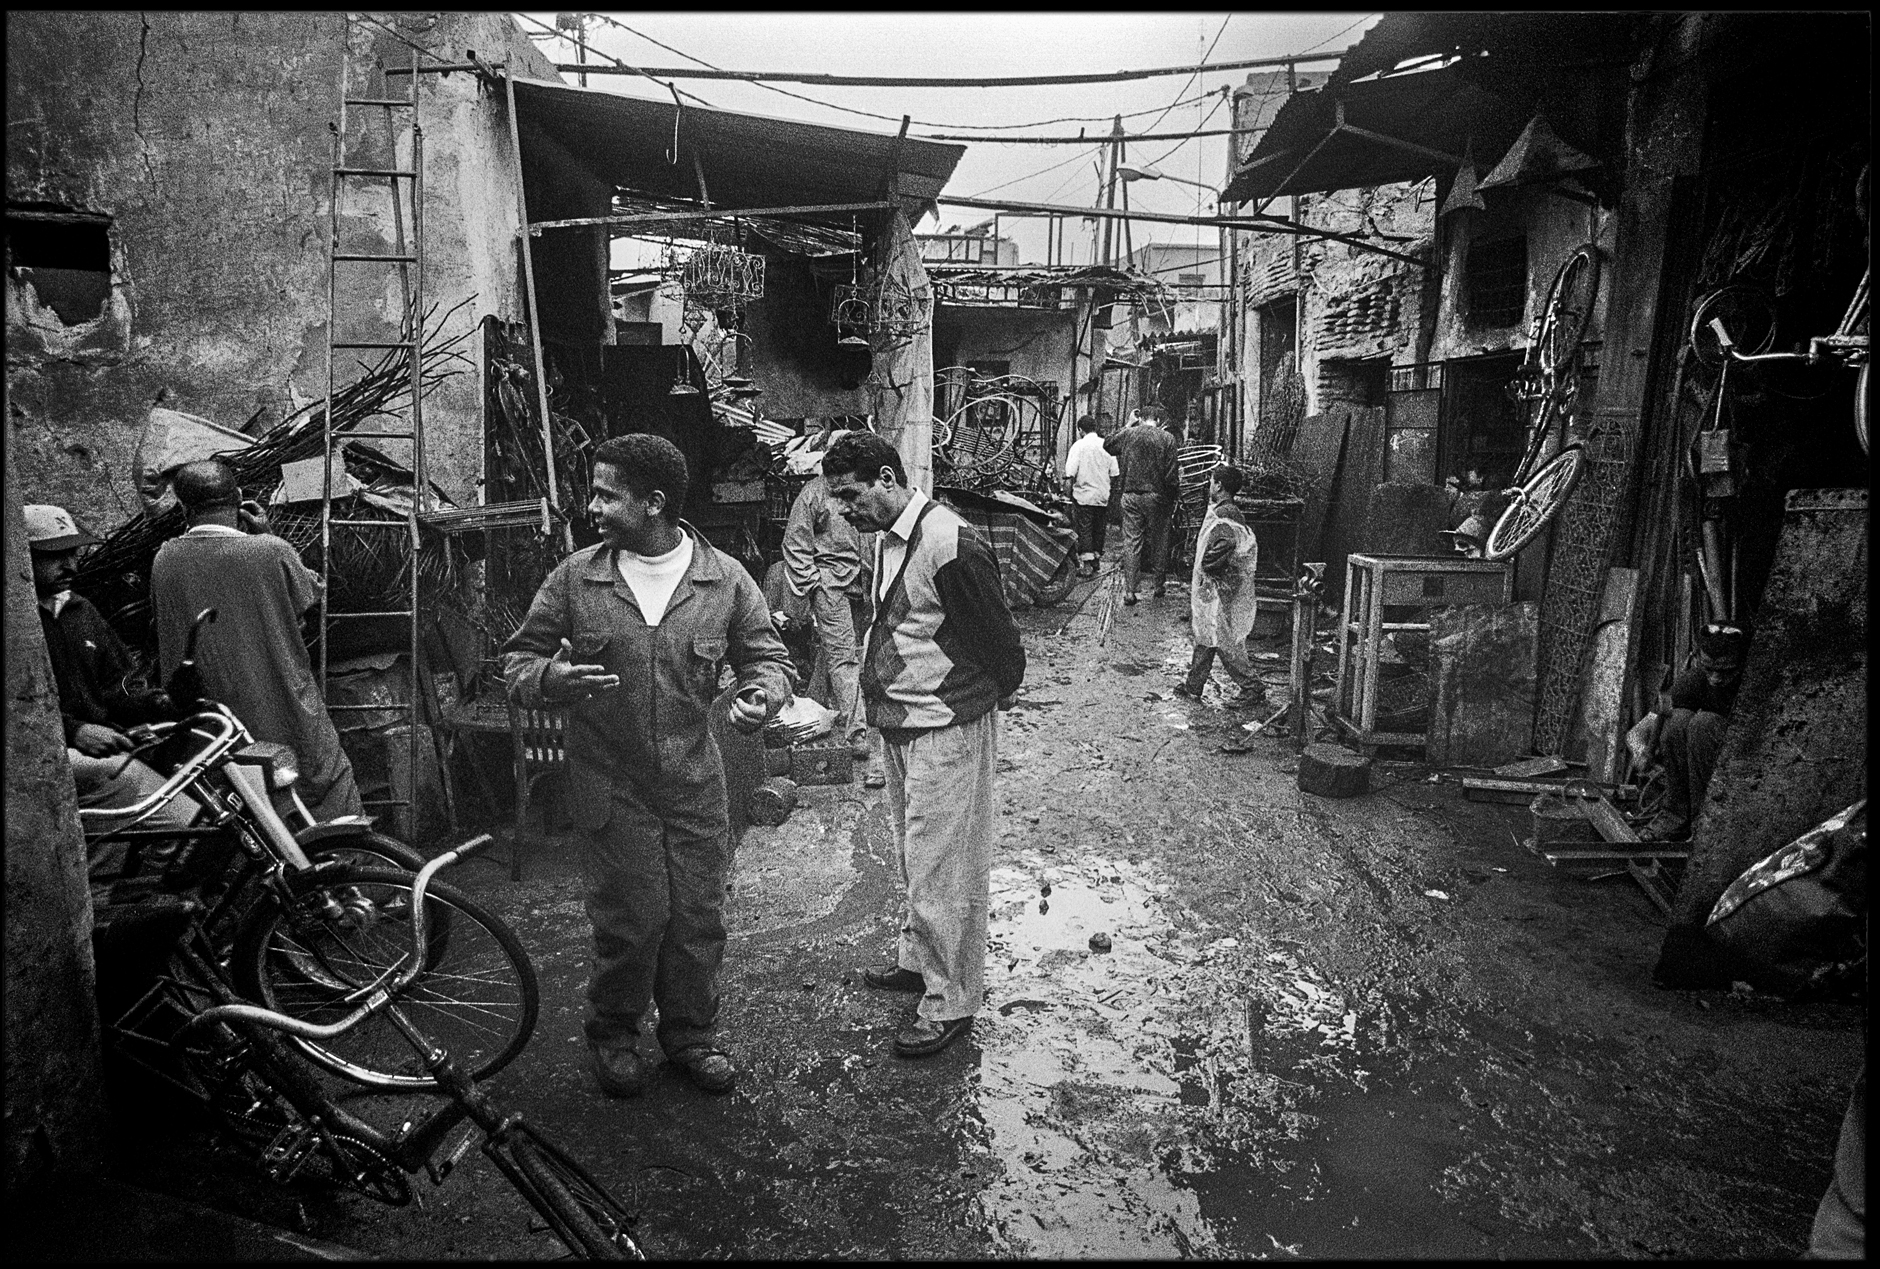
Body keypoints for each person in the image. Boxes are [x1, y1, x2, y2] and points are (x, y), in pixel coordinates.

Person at [501, 434, 791, 1098]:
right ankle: (613, 1032)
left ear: (653, 504)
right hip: (610, 781)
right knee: (634, 918)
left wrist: (758, 698)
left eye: (607, 493)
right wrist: (553, 677)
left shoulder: (725, 580)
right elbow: (517, 662)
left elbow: (767, 659)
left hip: (694, 780)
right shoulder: (577, 577)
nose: (592, 505)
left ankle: (690, 1035)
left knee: (697, 917)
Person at [819, 431, 1024, 1060]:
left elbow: (1000, 640)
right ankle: (917, 961)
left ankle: (951, 1000)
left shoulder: (948, 540)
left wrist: (980, 700)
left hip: (946, 727)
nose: (844, 511)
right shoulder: (886, 537)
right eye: (837, 500)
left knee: (945, 868)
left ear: (887, 478)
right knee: (916, 856)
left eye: (851, 496)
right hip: (903, 724)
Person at [149, 460, 366, 822]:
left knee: (236, 802)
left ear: (184, 509)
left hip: (214, 722)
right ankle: (341, 868)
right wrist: (266, 532)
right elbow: (311, 596)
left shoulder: (164, 559)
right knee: (323, 786)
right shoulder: (269, 550)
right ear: (238, 499)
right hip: (283, 706)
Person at [27, 504, 197, 836]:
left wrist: (158, 700)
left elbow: (117, 684)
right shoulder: (17, 622)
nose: (69, 565)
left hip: (99, 743)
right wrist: (74, 731)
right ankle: (101, 883)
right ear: (20, 556)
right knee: (120, 779)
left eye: (72, 553)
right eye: (53, 555)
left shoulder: (80, 610)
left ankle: (142, 879)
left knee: (188, 816)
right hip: (40, 753)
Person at [780, 456, 884, 788]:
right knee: (843, 658)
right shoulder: (813, 494)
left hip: (862, 582)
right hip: (830, 584)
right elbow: (795, 543)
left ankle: (826, 711)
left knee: (851, 651)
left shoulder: (858, 491)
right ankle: (857, 732)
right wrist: (813, 584)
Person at [1633, 621, 1749, 843]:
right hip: (1703, 764)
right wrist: (1645, 751)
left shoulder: (1752, 687)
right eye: (1709, 669)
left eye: (1726, 671)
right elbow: (1646, 726)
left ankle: (1704, 824)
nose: (1715, 678)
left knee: (1703, 724)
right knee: (1678, 720)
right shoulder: (1692, 680)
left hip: (1736, 771)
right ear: (1698, 658)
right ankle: (1675, 816)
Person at [1171, 465, 1267, 712]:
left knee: (1224, 641)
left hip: (1219, 589)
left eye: (1212, 482)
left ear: (1219, 486)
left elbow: (1221, 549)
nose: (1210, 486)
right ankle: (1194, 686)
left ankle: (1252, 687)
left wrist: (1209, 568)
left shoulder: (1225, 515)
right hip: (1215, 588)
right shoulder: (1227, 512)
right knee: (1206, 634)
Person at [1104, 403, 1180, 605]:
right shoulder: (1167, 438)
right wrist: (1172, 499)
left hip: (1130, 495)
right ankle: (1158, 585)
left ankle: (1130, 591)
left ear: (1140, 418)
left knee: (1131, 542)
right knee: (1159, 540)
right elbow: (1172, 475)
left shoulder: (1130, 434)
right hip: (1156, 496)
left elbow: (1108, 445)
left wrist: (1128, 424)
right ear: (1157, 420)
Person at [1061, 414, 1119, 579]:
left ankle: (1086, 565)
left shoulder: (1078, 446)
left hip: (1084, 495)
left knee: (1085, 529)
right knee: (1099, 529)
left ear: (1080, 430)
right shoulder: (1107, 445)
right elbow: (1115, 472)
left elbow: (1070, 473)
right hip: (1102, 495)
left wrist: (1067, 494)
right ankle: (1096, 562)